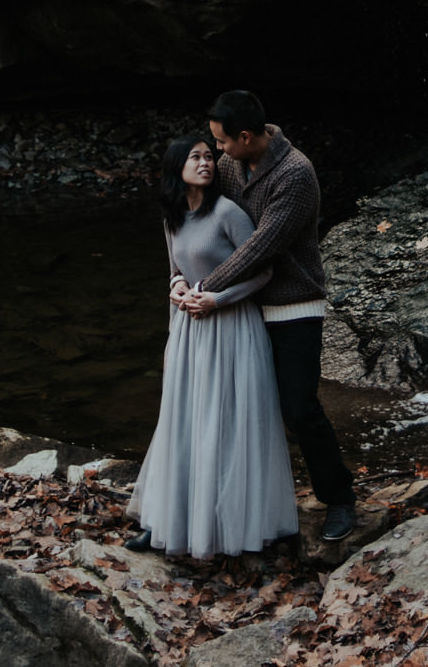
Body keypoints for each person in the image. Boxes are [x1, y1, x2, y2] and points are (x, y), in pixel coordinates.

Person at [188, 90, 360, 542]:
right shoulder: (231, 163)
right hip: (244, 303)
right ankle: (234, 504)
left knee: (299, 407)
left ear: (246, 136)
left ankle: (339, 499)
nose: (218, 150)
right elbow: (202, 213)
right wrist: (180, 273)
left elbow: (262, 246)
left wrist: (205, 288)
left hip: (292, 306)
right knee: (237, 406)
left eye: (223, 142)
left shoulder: (295, 174)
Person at [125, 136, 300, 557]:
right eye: (196, 157)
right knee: (182, 420)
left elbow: (262, 272)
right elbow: (174, 268)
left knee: (224, 422)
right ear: (175, 168)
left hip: (231, 326)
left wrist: (216, 298)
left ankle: (229, 525)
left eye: (209, 155)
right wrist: (178, 286)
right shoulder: (172, 218)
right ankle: (167, 521)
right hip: (189, 330)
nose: (206, 163)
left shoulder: (227, 212)